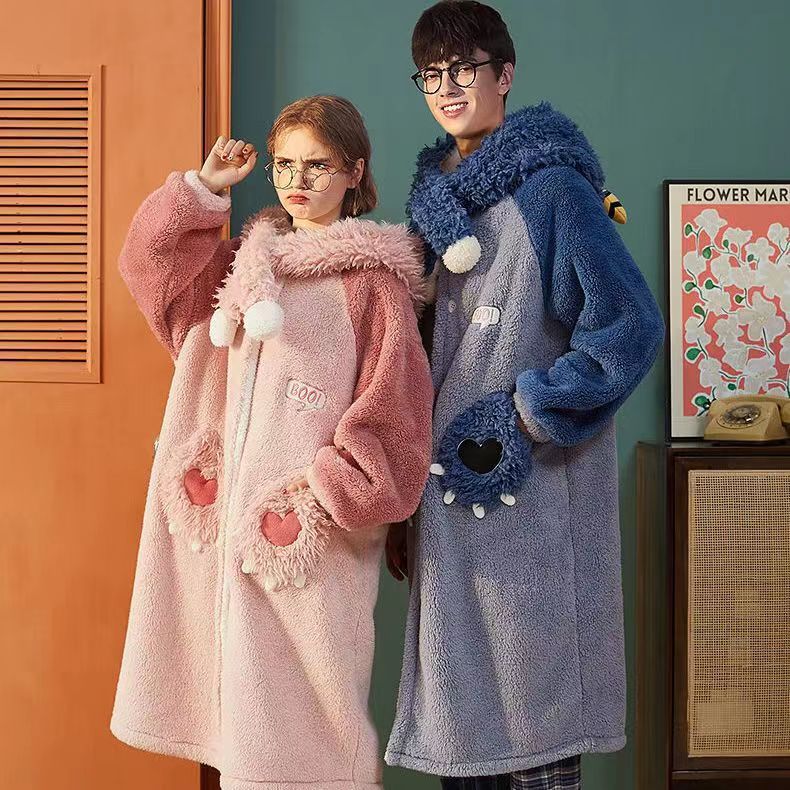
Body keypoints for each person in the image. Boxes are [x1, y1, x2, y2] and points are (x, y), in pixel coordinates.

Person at [110, 94, 434, 790]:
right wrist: (202, 190)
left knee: (308, 738)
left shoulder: (371, 285)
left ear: (355, 172)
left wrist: (323, 490)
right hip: (224, 533)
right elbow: (149, 268)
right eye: (284, 164)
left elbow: (397, 417)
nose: (297, 181)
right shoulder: (241, 267)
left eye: (317, 165)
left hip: (304, 540)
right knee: (237, 727)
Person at [384, 3, 666, 788]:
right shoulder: (434, 206)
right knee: (464, 740)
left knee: (535, 735)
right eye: (432, 74)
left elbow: (628, 325)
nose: (448, 88)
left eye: (465, 69)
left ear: (504, 75)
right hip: (447, 504)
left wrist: (523, 415)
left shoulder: (553, 191)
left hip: (530, 498)